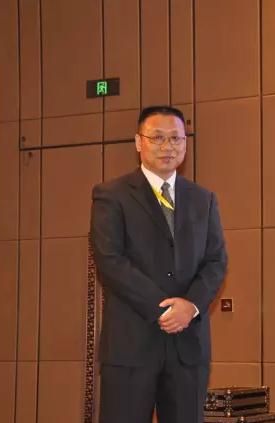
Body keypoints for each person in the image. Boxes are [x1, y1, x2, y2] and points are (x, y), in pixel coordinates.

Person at [90, 106, 227, 423]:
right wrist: (163, 309)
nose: (168, 146)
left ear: (186, 143)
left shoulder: (203, 199)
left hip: (188, 348)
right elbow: (110, 260)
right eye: (157, 138)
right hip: (131, 345)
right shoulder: (111, 195)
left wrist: (190, 306)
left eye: (176, 138)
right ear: (139, 142)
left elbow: (216, 261)